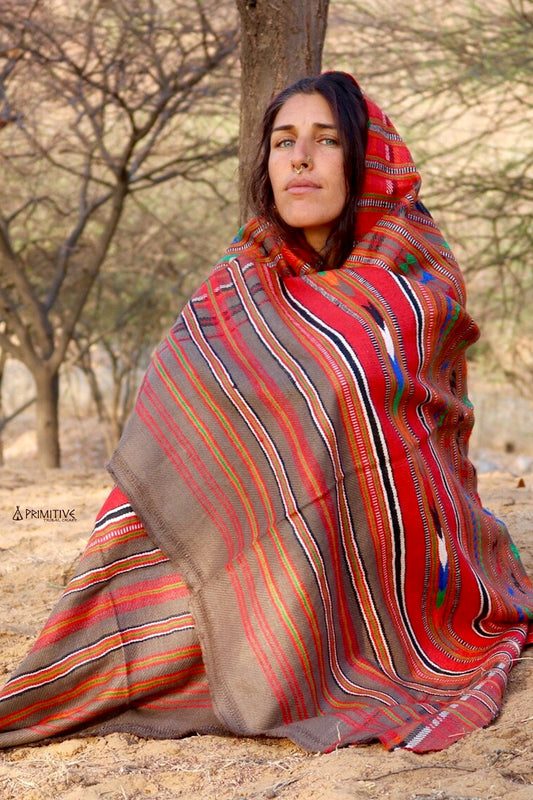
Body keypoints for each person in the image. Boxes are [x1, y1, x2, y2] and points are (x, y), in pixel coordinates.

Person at [0, 71, 532, 754]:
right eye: (283, 142)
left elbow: (409, 436)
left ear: (365, 159)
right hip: (235, 550)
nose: (300, 159)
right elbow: (175, 418)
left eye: (325, 140)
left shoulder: (413, 277)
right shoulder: (238, 280)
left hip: (388, 568)